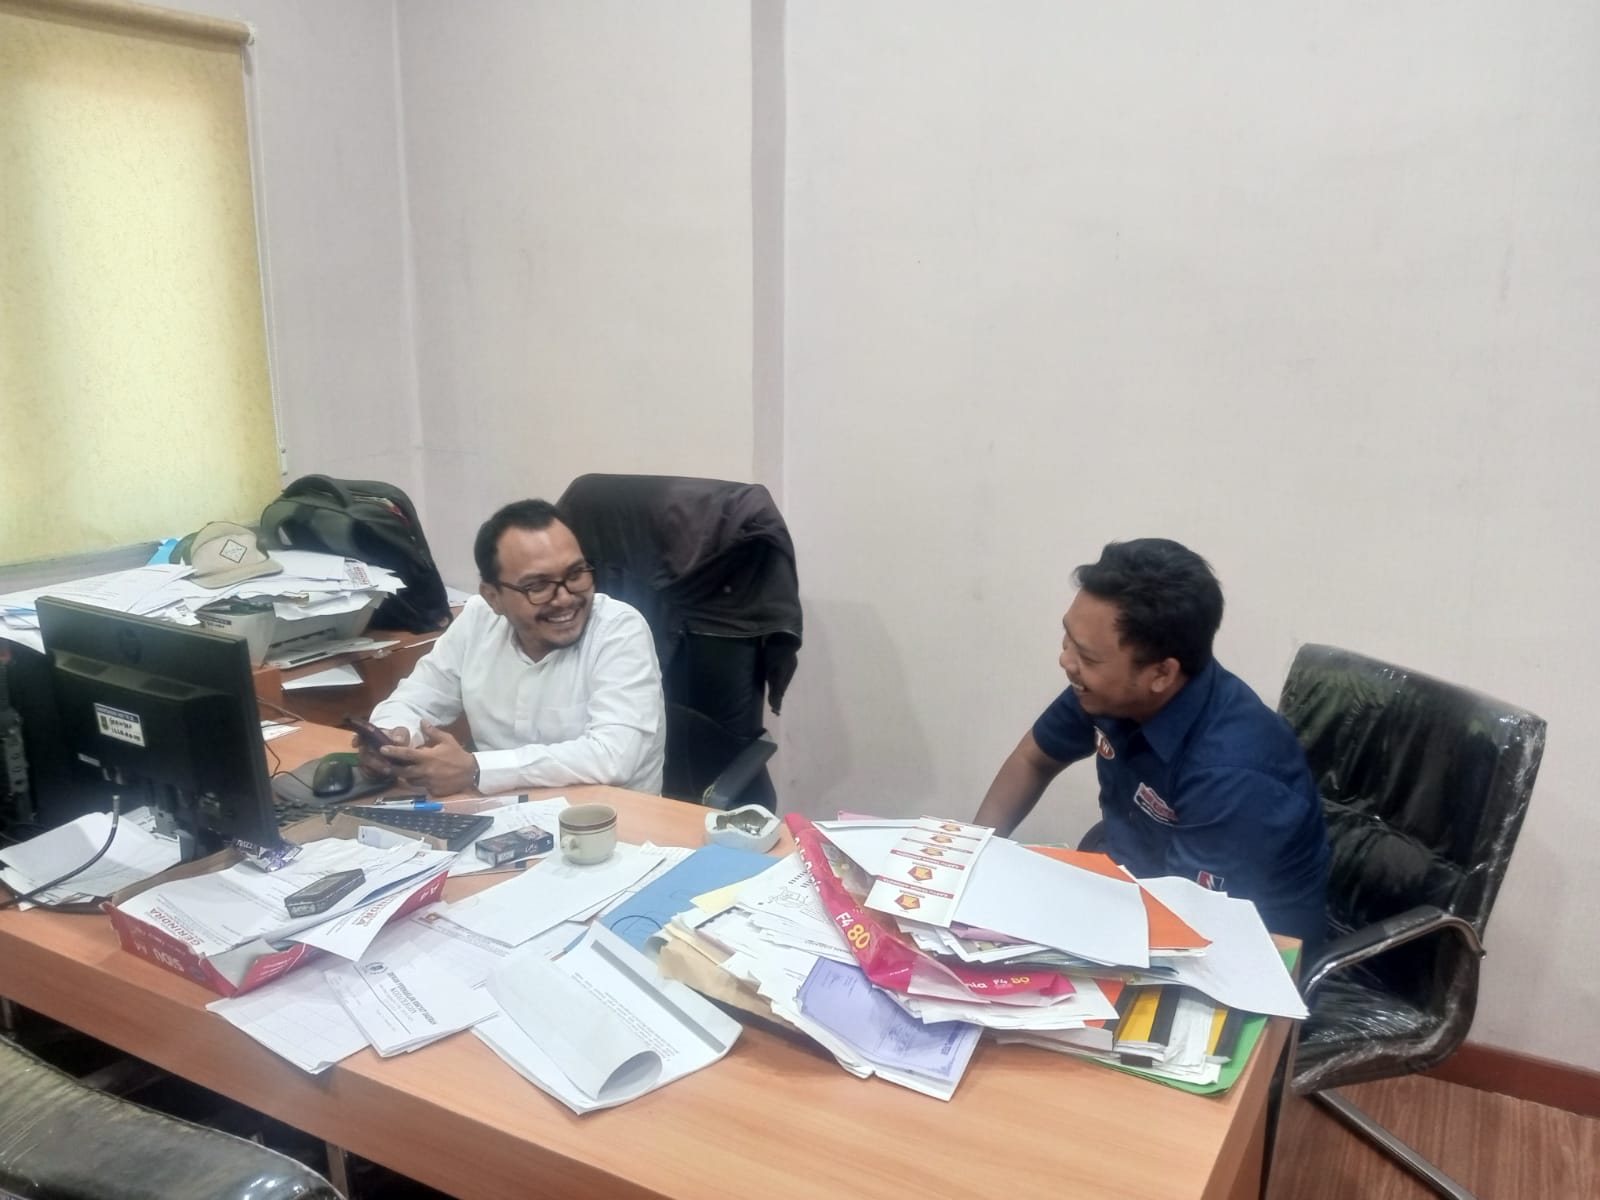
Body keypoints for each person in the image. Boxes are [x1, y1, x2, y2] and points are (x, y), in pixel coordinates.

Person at [975, 538, 1329, 945]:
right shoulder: (1108, 691)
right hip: (1139, 892)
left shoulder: (1232, 771)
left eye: (1087, 658)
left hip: (1239, 948)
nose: (1066, 661)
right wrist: (969, 856)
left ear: (1161, 674)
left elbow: (1188, 932)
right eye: (1067, 639)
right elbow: (1033, 759)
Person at [358, 499, 666, 796]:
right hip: (499, 812)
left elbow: (613, 756)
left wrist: (477, 769)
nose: (565, 598)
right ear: (493, 597)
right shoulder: (478, 620)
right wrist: (389, 738)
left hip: (613, 819)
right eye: (538, 586)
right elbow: (415, 700)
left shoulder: (618, 629)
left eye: (575, 575)